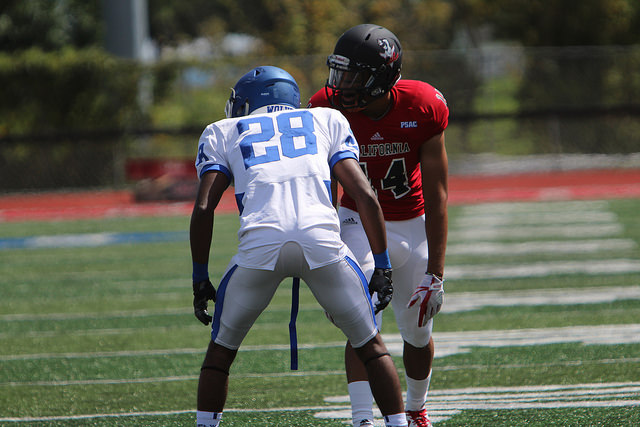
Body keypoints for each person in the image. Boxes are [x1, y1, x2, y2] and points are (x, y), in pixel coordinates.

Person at [189, 65, 409, 427]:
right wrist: (382, 264)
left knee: (221, 351)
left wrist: (199, 277)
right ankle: (398, 423)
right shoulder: (325, 119)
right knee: (370, 346)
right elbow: (365, 195)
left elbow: (203, 207)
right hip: (322, 241)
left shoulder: (223, 131)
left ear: (246, 102)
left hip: (260, 245)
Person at [308, 24, 449, 427]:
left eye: (353, 75)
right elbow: (322, 184)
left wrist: (436, 273)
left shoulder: (422, 105)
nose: (341, 84)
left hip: (412, 222)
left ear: (382, 76)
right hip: (356, 220)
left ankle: (417, 407)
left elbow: (438, 195)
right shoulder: (326, 107)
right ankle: (361, 419)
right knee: (361, 318)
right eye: (340, 72)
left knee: (417, 332)